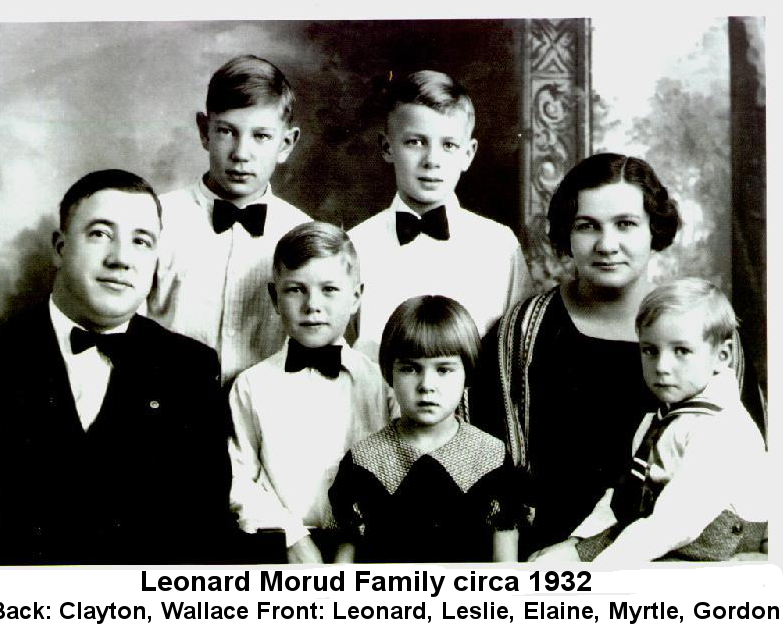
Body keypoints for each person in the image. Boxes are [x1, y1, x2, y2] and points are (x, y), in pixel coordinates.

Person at [0, 170, 256, 565]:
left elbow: (203, 535)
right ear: (59, 247)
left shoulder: (189, 369)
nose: (120, 259)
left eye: (141, 241)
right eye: (100, 234)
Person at [469, 153, 682, 559]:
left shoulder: (699, 331)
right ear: (567, 232)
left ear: (654, 229)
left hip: (668, 567)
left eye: (626, 224)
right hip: (536, 567)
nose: (607, 245)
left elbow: (740, 471)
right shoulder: (520, 334)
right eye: (588, 226)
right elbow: (484, 470)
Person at [529, 278, 768, 562]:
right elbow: (625, 497)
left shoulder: (720, 427)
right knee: (548, 562)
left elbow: (677, 521)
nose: (662, 367)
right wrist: (577, 543)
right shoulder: (659, 418)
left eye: (681, 351)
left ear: (722, 356)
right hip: (663, 526)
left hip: (714, 536)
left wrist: (598, 570)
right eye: (650, 350)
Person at [229, 221, 392, 563]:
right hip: (278, 549)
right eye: (295, 290)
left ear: (356, 297)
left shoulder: (379, 382)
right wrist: (292, 538)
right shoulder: (251, 386)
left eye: (329, 289)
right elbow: (238, 477)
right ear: (274, 297)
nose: (312, 305)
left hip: (368, 549)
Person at [147, 54, 310, 385]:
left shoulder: (302, 235)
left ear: (287, 143)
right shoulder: (156, 221)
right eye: (227, 132)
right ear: (205, 132)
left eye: (261, 136)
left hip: (264, 417)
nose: (241, 153)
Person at [348, 70, 532, 361]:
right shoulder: (355, 245)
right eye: (415, 142)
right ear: (387, 148)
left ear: (468, 154)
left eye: (448, 145)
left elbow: (519, 350)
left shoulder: (499, 245)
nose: (432, 161)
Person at [329, 296, 521, 563]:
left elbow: (506, 563)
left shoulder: (491, 457)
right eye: (410, 369)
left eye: (443, 370)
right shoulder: (364, 460)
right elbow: (345, 560)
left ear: (468, 373)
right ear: (388, 373)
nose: (426, 385)